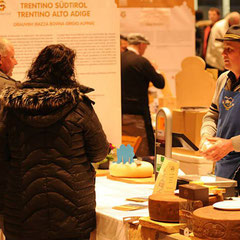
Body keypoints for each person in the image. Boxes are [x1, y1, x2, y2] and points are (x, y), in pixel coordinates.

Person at [0, 44, 109, 240]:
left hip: (22, 206)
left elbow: (2, 154)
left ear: (36, 67)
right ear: (68, 71)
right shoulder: (79, 106)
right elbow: (99, 152)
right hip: (72, 210)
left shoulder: (12, 106)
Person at [200, 25, 240, 192]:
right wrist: (206, 136)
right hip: (223, 167)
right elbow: (212, 115)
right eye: (223, 49)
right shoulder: (223, 79)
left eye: (229, 50)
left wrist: (231, 144)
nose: (223, 54)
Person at [121, 33, 165, 157]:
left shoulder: (118, 59)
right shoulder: (141, 62)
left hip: (120, 114)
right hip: (138, 116)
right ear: (141, 45)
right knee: (142, 153)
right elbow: (160, 83)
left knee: (124, 154)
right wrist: (155, 69)